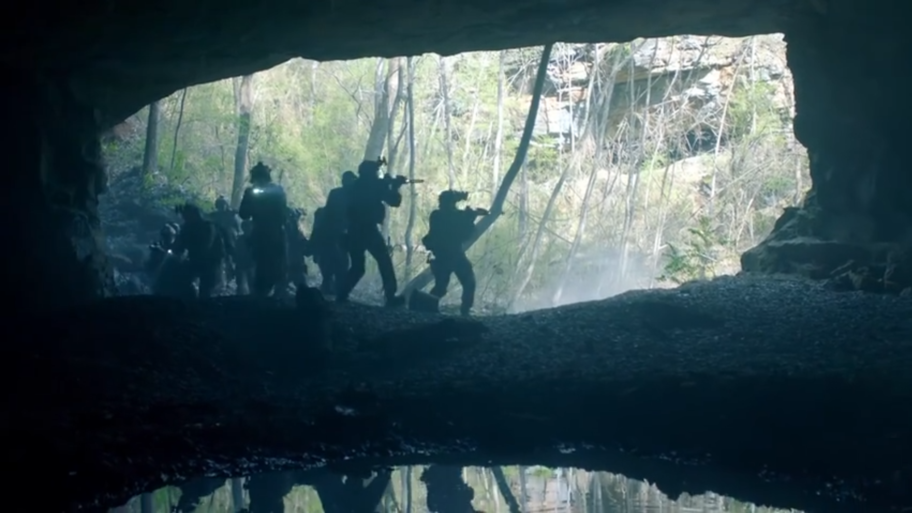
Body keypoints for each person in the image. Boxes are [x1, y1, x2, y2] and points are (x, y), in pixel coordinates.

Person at [336, 159, 404, 307]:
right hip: (368, 230)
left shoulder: (355, 187)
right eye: (375, 171)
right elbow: (394, 201)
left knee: (358, 266)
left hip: (354, 230)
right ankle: (391, 296)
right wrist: (395, 186)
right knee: (384, 261)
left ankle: (341, 294)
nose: (376, 174)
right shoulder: (374, 185)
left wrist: (387, 184)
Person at [421, 190, 487, 316]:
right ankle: (425, 308)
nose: (453, 206)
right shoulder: (438, 216)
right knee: (442, 287)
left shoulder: (449, 215)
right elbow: (456, 230)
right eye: (452, 202)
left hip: (450, 255)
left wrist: (469, 217)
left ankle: (464, 310)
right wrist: (469, 217)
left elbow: (466, 234)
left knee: (464, 283)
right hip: (445, 256)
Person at [238, 162, 288, 297]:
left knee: (277, 264)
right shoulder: (251, 192)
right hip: (261, 233)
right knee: (261, 264)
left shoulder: (276, 191)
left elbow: (283, 213)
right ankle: (261, 291)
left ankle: (276, 290)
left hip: (273, 232)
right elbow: (243, 213)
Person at [311, 170, 356, 296]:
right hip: (333, 232)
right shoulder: (337, 194)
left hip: (342, 233)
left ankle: (336, 288)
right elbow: (329, 211)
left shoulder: (351, 195)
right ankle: (330, 285)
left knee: (340, 262)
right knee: (332, 261)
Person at [171, 202, 229, 298]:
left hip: (210, 262)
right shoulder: (186, 227)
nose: (184, 217)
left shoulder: (207, 226)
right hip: (195, 260)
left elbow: (206, 245)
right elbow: (178, 246)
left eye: (186, 214)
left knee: (206, 289)